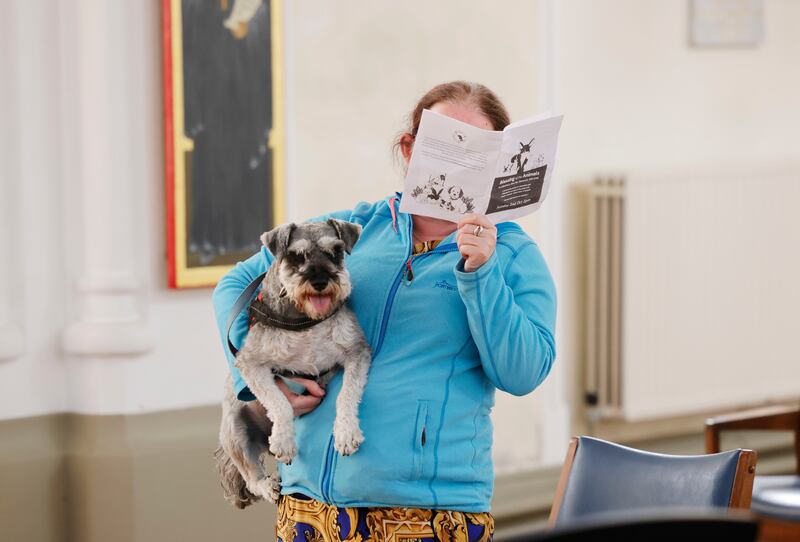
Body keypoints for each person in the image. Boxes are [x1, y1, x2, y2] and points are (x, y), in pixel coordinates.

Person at [212, 81, 557, 542]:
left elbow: (524, 372)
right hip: (307, 512)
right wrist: (258, 381)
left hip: (429, 518)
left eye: (478, 150)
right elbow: (236, 285)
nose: (458, 161)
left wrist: (481, 271)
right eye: (444, 143)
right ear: (410, 148)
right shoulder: (353, 229)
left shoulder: (513, 253)